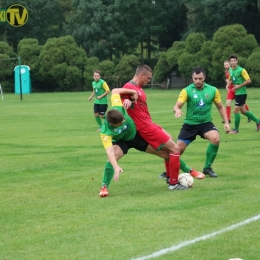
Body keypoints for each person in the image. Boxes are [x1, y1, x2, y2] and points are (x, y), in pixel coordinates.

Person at [121, 65, 205, 191]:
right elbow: (118, 95)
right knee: (175, 149)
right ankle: (173, 183)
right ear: (141, 75)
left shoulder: (138, 88)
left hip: (149, 123)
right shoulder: (128, 87)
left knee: (169, 148)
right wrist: (125, 102)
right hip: (144, 127)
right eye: (148, 78)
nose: (149, 80)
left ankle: (170, 177)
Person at [99, 88, 170, 197]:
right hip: (122, 142)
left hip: (137, 136)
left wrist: (133, 92)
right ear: (112, 124)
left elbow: (115, 91)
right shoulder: (105, 131)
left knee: (164, 153)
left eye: (123, 119)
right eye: (121, 122)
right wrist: (116, 167)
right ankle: (104, 186)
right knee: (113, 157)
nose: (124, 121)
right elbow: (109, 151)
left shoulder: (117, 107)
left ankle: (188, 170)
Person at [173, 66, 230, 178]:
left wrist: (226, 123)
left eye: (200, 78)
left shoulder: (213, 90)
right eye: (195, 78)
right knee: (175, 151)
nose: (198, 81)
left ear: (204, 77)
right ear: (192, 78)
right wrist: (177, 110)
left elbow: (220, 107)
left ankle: (207, 168)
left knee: (215, 138)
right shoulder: (187, 90)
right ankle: (171, 170)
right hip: (190, 124)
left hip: (205, 123)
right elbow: (177, 105)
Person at [227, 54, 260, 134]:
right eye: (232, 61)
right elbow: (230, 78)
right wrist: (228, 85)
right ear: (230, 62)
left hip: (242, 93)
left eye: (234, 61)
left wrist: (239, 86)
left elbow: (248, 80)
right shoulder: (230, 70)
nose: (233, 62)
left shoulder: (242, 70)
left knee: (235, 110)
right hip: (237, 92)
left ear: (237, 61)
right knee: (243, 111)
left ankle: (236, 129)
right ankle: (258, 121)